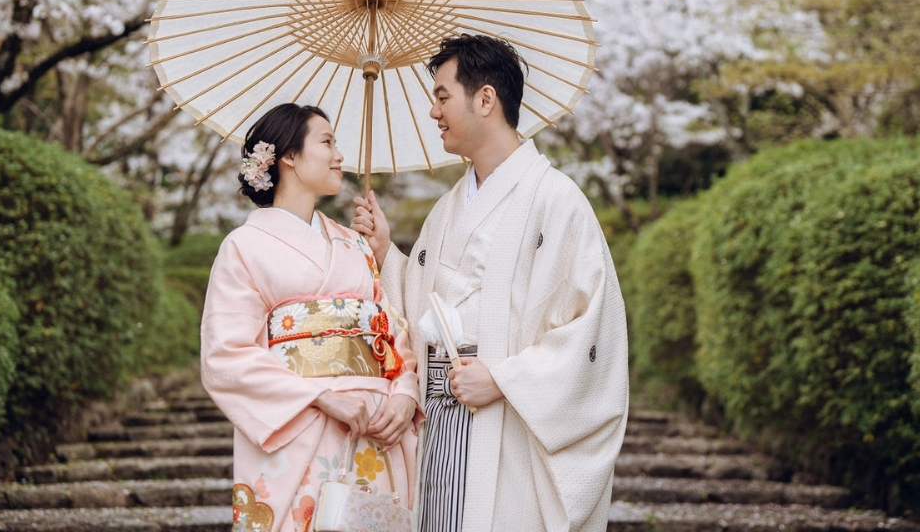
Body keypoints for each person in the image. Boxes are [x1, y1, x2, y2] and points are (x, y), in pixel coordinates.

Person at [352, 34, 629, 532]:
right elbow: (424, 305)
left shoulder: (556, 200)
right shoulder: (447, 209)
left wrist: (504, 378)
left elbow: (590, 330)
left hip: (509, 422)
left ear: (485, 98)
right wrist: (385, 255)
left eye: (441, 96)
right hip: (440, 418)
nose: (433, 113)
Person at [201, 103, 420, 532]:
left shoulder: (354, 244)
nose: (340, 155)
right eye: (327, 142)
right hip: (301, 423)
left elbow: (392, 332)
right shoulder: (243, 246)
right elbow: (225, 355)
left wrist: (405, 393)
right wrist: (319, 396)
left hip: (376, 426)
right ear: (289, 156)